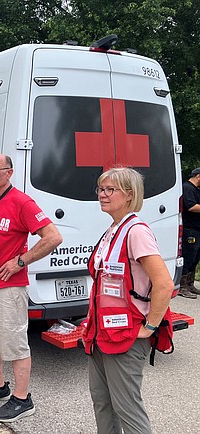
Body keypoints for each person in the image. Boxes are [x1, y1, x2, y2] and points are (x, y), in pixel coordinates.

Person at [0, 154, 62, 423]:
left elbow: (53, 237)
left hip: (8, 288)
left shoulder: (22, 202)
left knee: (15, 345)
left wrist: (21, 261)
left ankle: (22, 399)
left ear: (9, 173)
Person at [83, 167, 173, 434]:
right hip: (102, 334)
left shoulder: (136, 231)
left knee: (127, 409)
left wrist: (150, 327)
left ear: (130, 194)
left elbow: (164, 284)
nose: (102, 194)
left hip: (125, 335)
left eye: (110, 189)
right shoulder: (113, 229)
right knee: (103, 403)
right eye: (101, 189)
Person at [179, 167, 200, 299]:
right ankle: (181, 286)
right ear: (198, 176)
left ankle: (190, 283)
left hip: (197, 229)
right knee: (188, 256)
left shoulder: (196, 190)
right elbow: (191, 206)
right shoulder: (187, 188)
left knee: (195, 258)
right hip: (190, 229)